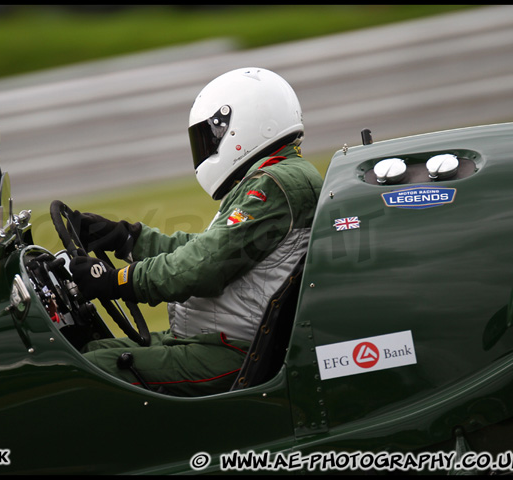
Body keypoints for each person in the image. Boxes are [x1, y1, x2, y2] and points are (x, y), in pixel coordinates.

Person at [66, 67, 323, 396]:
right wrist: (126, 238)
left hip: (231, 352)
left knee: (83, 373)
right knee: (88, 352)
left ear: (242, 125)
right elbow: (207, 249)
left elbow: (203, 267)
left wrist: (116, 281)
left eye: (209, 136)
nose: (206, 147)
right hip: (215, 341)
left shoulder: (275, 184)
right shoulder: (277, 177)